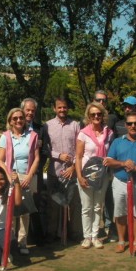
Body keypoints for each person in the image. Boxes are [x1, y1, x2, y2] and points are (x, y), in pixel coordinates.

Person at [104, 112, 136, 254]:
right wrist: (123, 163)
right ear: (125, 125)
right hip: (120, 181)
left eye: (135, 123)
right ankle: (122, 241)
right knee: (120, 212)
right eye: (129, 123)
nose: (133, 126)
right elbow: (108, 161)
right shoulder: (117, 142)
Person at [0, 108, 40, 255]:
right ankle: (11, 243)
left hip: (26, 177)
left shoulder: (33, 135)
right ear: (10, 121)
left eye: (21, 118)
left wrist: (29, 176)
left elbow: (36, 158)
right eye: (15, 118)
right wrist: (9, 177)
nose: (18, 121)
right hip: (11, 177)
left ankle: (23, 243)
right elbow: (0, 160)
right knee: (12, 211)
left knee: (25, 212)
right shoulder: (5, 136)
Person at [42, 97, 81, 243]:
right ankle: (52, 233)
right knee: (54, 205)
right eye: (59, 107)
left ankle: (75, 233)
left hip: (72, 172)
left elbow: (80, 149)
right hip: (55, 171)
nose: (62, 110)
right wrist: (58, 155)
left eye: (64, 107)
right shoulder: (48, 126)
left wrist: (73, 167)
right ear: (54, 109)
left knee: (74, 204)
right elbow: (45, 149)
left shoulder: (75, 125)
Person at [75, 102, 114, 249]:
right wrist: (79, 176)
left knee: (98, 206)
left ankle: (95, 235)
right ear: (89, 117)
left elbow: (111, 153)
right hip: (86, 174)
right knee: (86, 207)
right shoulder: (83, 133)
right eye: (93, 114)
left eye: (99, 114)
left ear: (103, 115)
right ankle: (86, 237)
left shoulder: (109, 132)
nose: (96, 116)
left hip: (102, 175)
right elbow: (78, 156)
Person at [21, 97, 47, 245]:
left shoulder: (41, 129)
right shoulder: (16, 126)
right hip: (18, 173)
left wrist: (34, 171)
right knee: (20, 204)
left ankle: (36, 236)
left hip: (34, 173)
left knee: (35, 204)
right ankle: (20, 238)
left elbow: (43, 152)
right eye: (27, 110)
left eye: (32, 110)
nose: (30, 113)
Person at [93, 90, 118, 242]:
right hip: (91, 168)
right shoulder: (85, 122)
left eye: (104, 100)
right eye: (98, 100)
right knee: (93, 202)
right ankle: (92, 231)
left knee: (108, 199)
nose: (102, 103)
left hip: (108, 168)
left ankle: (109, 226)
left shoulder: (113, 119)